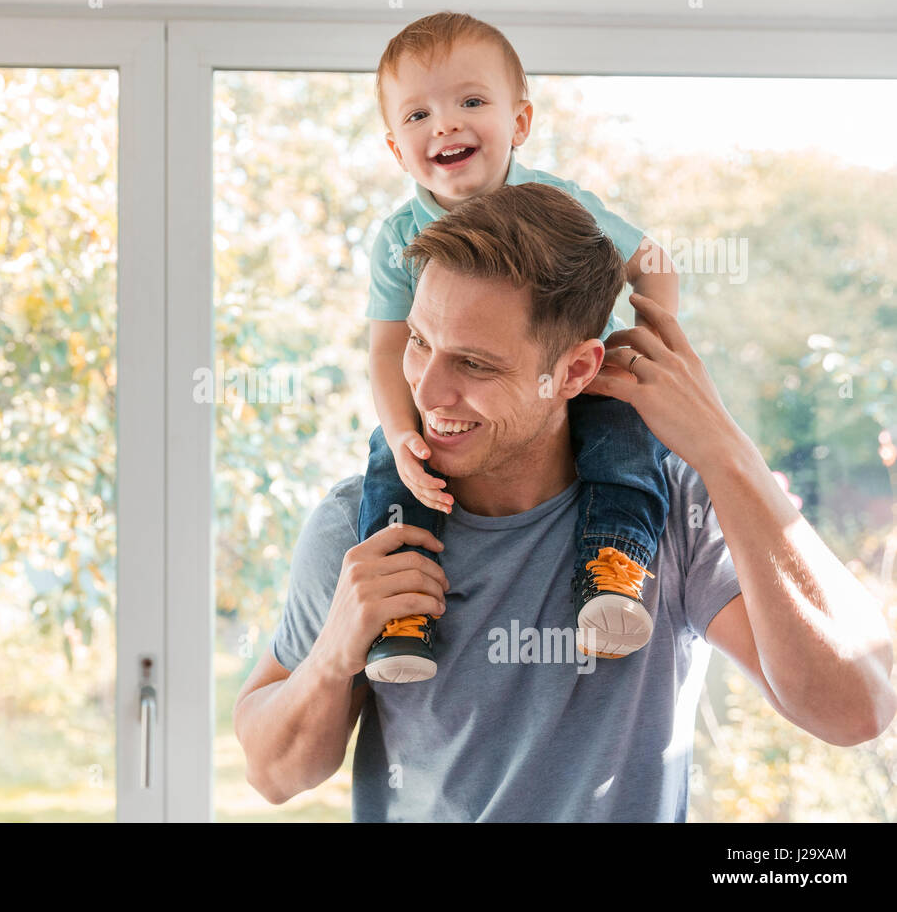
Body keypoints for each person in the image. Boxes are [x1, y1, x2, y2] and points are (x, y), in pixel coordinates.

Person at [232, 182, 896, 822]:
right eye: (419, 342)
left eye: (474, 364)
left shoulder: (668, 507)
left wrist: (726, 450)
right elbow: (274, 774)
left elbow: (856, 709)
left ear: (576, 370)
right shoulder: (364, 522)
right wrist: (333, 653)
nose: (428, 391)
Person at [360, 11, 679, 681]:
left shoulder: (560, 205)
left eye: (470, 102)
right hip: (460, 409)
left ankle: (614, 575)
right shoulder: (396, 238)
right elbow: (389, 351)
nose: (444, 124)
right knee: (392, 472)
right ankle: (401, 614)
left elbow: (653, 262)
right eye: (418, 115)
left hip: (578, 380)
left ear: (521, 123)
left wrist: (643, 351)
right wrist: (398, 435)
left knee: (626, 444)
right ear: (395, 149)